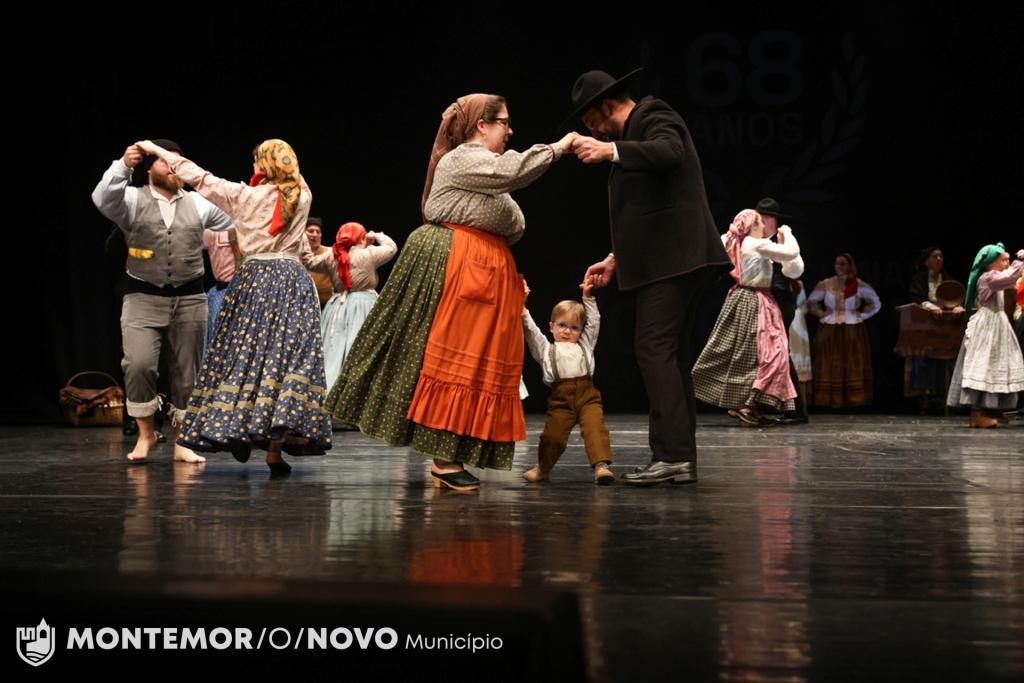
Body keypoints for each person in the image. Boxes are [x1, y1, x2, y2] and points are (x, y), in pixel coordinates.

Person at [326, 94, 578, 491]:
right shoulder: (464, 159)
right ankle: (443, 460)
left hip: (477, 263)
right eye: (504, 122)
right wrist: (559, 147)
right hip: (460, 263)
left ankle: (451, 454)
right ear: (481, 124)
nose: (510, 130)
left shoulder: (483, 172)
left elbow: (512, 216)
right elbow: (514, 172)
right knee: (454, 359)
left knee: (472, 363)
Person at [567, 69, 731, 486]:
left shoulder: (654, 114)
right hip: (672, 259)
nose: (593, 132)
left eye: (591, 121)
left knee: (654, 349)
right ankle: (677, 456)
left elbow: (670, 151)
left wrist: (610, 151)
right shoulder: (636, 132)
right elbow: (649, 208)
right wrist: (615, 258)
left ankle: (673, 455)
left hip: (675, 261)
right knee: (669, 355)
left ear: (608, 105)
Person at [135, 138, 336, 474]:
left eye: (256, 161)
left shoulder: (244, 196)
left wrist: (157, 151)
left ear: (265, 164)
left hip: (255, 280)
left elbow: (198, 177)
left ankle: (239, 428)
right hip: (292, 282)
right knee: (285, 361)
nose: (253, 167)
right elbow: (290, 182)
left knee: (244, 358)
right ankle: (274, 450)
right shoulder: (302, 193)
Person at [92, 140, 233, 463]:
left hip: (190, 298)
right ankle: (146, 435)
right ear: (148, 169)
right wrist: (123, 165)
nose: (173, 167)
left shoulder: (198, 203)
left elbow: (235, 214)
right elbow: (102, 198)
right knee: (138, 365)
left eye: (177, 162)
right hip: (143, 296)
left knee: (188, 371)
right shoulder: (131, 200)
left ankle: (183, 442)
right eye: (165, 161)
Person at [692, 209, 800, 426]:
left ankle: (746, 405)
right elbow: (790, 253)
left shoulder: (735, 241)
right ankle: (746, 405)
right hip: (754, 299)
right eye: (760, 223)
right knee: (767, 353)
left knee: (744, 353)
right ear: (753, 226)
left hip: (741, 298)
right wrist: (787, 233)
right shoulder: (755, 243)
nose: (764, 227)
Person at [521, 279, 614, 485]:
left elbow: (594, 322)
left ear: (581, 331)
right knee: (552, 436)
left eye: (574, 327)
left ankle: (601, 466)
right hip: (560, 399)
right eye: (562, 325)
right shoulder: (546, 349)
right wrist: (522, 307)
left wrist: (587, 297)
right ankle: (542, 468)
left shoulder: (585, 344)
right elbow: (531, 330)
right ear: (551, 326)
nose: (567, 331)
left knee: (595, 427)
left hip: (587, 396)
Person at [946, 244, 1024, 427]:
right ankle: (977, 412)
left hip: (998, 322)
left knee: (999, 364)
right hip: (988, 325)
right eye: (1003, 260)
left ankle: (993, 409)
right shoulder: (988, 277)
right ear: (990, 263)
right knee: (984, 364)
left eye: (1008, 260)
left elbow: (1011, 281)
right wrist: (1020, 261)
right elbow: (1010, 276)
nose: (1007, 263)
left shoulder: (994, 276)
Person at [320, 221, 397, 389]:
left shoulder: (332, 256)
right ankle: (355, 388)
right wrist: (375, 235)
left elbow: (310, 261)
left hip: (338, 306)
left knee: (334, 347)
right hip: (363, 304)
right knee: (361, 346)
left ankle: (328, 387)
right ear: (361, 237)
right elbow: (391, 247)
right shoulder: (368, 254)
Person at [757, 198, 808, 424]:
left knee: (779, 354)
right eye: (760, 217)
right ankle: (765, 406)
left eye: (767, 218)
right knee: (764, 355)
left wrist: (780, 249)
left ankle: (796, 410)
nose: (762, 222)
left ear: (775, 220)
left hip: (779, 301)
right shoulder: (755, 240)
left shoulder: (783, 238)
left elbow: (795, 270)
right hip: (762, 301)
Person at [807, 253, 881, 408]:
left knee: (852, 362)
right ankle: (828, 399)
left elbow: (875, 303)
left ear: (849, 266)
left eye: (843, 264)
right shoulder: (826, 283)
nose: (839, 267)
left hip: (852, 328)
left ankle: (854, 399)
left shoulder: (858, 284)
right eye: (837, 264)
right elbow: (811, 302)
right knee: (829, 361)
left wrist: (862, 315)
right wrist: (821, 313)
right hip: (830, 328)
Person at [905, 246, 965, 409]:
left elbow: (957, 295)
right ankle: (924, 396)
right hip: (925, 326)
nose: (939, 259)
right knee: (923, 358)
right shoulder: (919, 279)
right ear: (926, 261)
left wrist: (958, 306)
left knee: (950, 357)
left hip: (946, 327)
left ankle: (948, 397)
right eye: (934, 256)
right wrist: (929, 306)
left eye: (941, 256)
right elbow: (915, 298)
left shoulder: (948, 278)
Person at [304, 217, 340, 309]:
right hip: (302, 303)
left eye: (318, 232)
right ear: (303, 234)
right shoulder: (295, 254)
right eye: (311, 231)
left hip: (326, 303)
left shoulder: (329, 253)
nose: (315, 234)